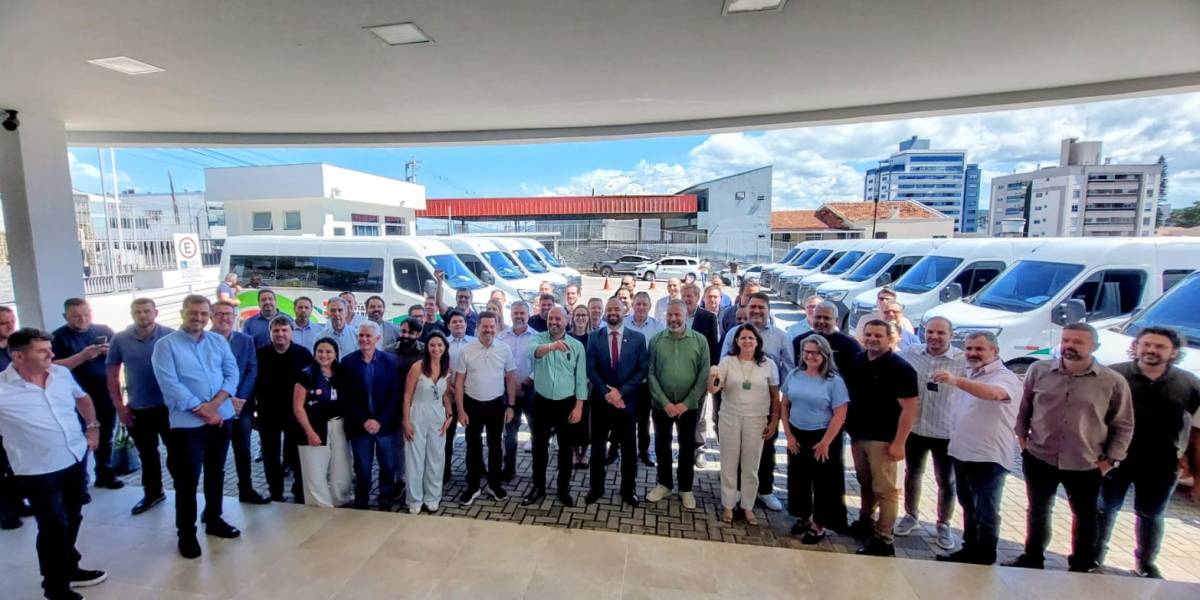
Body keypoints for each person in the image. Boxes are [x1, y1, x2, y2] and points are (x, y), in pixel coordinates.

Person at [1009, 322, 1134, 572]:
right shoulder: (1039, 370)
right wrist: (1022, 440)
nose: (1069, 346)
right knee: (1038, 510)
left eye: (1078, 342)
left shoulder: (1112, 381)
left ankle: (1082, 564)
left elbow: (1123, 424)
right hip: (1040, 456)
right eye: (1066, 340)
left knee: (1085, 515)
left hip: (1086, 462)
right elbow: (1025, 408)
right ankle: (1033, 557)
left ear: (1094, 346)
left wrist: (1110, 460)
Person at [1, 328, 108, 600]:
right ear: (19, 356)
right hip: (37, 470)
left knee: (73, 516)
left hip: (74, 457)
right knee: (53, 526)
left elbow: (83, 398)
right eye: (42, 351)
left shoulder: (60, 374)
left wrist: (93, 428)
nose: (51, 354)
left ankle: (69, 566)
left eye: (50, 349)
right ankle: (55, 587)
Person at [1096, 327, 1200, 578]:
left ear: (1174, 352)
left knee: (1151, 514)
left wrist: (1193, 466)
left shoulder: (1189, 383)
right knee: (1104, 509)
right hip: (1114, 459)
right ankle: (1093, 556)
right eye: (1146, 344)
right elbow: (1094, 417)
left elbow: (1196, 429)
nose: (1151, 350)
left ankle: (1146, 564)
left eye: (1160, 346)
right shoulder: (1113, 375)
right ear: (1137, 346)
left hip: (1163, 464)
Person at [151, 294, 241, 559]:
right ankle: (186, 534)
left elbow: (232, 374)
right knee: (187, 480)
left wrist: (215, 406)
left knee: (216, 472)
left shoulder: (217, 341)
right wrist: (203, 410)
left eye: (203, 313)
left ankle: (213, 519)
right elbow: (170, 384)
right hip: (187, 424)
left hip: (221, 417)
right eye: (193, 313)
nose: (198, 318)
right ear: (182, 313)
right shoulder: (166, 346)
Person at [933, 331, 1023, 566]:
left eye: (979, 349)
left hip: (988, 456)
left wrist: (957, 381)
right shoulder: (970, 372)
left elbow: (995, 394)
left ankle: (985, 555)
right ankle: (969, 549)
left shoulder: (1005, 377)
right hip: (962, 451)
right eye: (969, 348)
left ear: (995, 351)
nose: (972, 353)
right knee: (968, 505)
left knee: (986, 510)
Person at [843, 319, 919, 557]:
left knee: (885, 490)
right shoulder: (857, 360)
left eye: (878, 335)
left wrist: (900, 442)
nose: (872, 339)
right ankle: (865, 521)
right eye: (868, 334)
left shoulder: (901, 368)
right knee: (866, 483)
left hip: (884, 440)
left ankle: (884, 538)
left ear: (890, 338)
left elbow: (909, 408)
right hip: (858, 435)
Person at [717, 292, 794, 512]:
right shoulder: (734, 333)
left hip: (765, 403)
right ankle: (736, 493)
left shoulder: (780, 336)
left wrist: (779, 401)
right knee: (735, 450)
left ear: (769, 310)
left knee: (765, 448)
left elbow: (789, 368)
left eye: (761, 307)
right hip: (735, 401)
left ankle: (765, 490)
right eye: (753, 307)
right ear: (746, 309)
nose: (757, 311)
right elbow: (723, 365)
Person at [894, 317, 965, 549]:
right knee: (913, 473)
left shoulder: (962, 361)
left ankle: (943, 524)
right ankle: (911, 515)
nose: (934, 336)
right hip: (916, 428)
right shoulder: (911, 353)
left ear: (950, 335)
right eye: (930, 332)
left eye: (940, 333)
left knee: (946, 480)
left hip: (946, 430)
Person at [104, 298, 174, 515]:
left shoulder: (171, 336)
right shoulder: (120, 339)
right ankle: (153, 492)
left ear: (155, 312)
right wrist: (120, 407)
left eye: (146, 311)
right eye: (138, 312)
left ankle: (184, 492)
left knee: (177, 453)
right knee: (147, 454)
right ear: (132, 314)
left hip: (170, 408)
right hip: (139, 408)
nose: (142, 315)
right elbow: (112, 375)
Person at [707, 324, 781, 524]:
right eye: (743, 338)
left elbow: (775, 396)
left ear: (757, 342)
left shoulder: (768, 364)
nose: (747, 341)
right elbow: (714, 389)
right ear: (737, 341)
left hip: (757, 420)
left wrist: (774, 420)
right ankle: (728, 505)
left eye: (751, 338)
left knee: (751, 465)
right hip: (730, 417)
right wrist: (713, 377)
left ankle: (748, 506)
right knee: (729, 463)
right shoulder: (727, 361)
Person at [782, 335, 849, 544]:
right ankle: (803, 516)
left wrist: (826, 442)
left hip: (823, 437)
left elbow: (840, 414)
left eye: (815, 352)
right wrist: (789, 435)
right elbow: (784, 405)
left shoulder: (834, 381)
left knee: (823, 483)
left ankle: (819, 525)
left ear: (825, 355)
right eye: (807, 352)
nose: (810, 356)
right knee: (798, 478)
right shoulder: (794, 374)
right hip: (797, 433)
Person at [645, 300, 709, 510]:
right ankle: (664, 484)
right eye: (670, 315)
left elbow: (703, 375)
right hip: (661, 406)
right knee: (661, 445)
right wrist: (664, 402)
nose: (673, 319)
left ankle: (685, 488)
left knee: (687, 447)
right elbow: (651, 373)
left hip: (688, 407)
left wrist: (687, 403)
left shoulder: (699, 341)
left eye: (677, 315)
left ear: (685, 315)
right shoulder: (656, 341)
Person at [51, 298, 121, 490]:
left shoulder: (104, 330)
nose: (82, 319)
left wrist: (110, 353)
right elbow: (51, 366)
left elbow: (121, 354)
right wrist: (82, 356)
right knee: (78, 437)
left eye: (86, 314)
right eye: (76, 316)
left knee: (105, 436)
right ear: (65, 316)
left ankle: (105, 473)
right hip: (75, 397)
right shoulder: (57, 338)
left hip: (104, 392)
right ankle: (80, 480)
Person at [585, 298, 648, 507]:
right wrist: (607, 393)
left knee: (629, 449)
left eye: (617, 309)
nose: (613, 312)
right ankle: (596, 488)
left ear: (624, 311)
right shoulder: (594, 337)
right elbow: (591, 369)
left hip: (626, 404)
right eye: (609, 309)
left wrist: (620, 392)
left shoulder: (637, 338)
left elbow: (642, 370)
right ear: (605, 312)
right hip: (601, 403)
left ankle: (628, 489)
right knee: (597, 448)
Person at [525, 307, 587, 507]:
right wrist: (552, 347)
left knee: (565, 449)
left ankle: (563, 489)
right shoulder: (538, 338)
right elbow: (533, 352)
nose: (553, 322)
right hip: (542, 402)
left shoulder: (577, 346)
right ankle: (538, 487)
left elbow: (580, 379)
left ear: (566, 321)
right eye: (550, 318)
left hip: (566, 403)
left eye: (558, 319)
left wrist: (579, 406)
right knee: (539, 447)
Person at [210, 301, 268, 504]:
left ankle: (246, 489)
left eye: (228, 314)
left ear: (234, 317)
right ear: (211, 316)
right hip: (215, 408)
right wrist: (224, 399)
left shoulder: (246, 341)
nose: (224, 318)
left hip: (242, 406)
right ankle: (213, 502)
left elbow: (252, 368)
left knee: (243, 450)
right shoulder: (203, 341)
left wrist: (240, 397)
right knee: (215, 456)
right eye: (219, 314)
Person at [454, 311, 516, 504]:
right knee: (473, 446)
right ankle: (473, 486)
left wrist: (511, 406)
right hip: (472, 404)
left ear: (496, 327)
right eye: (485, 326)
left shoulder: (504, 349)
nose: (488, 330)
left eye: (492, 326)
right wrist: (461, 410)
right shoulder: (467, 350)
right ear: (477, 327)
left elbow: (510, 378)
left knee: (495, 446)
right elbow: (459, 381)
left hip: (496, 405)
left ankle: (494, 485)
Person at [341, 321, 402, 510]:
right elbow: (346, 397)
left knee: (388, 465)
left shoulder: (390, 361)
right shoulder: (348, 362)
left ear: (377, 338)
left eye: (368, 336)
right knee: (362, 467)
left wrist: (380, 421)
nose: (364, 339)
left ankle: (385, 500)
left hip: (385, 426)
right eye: (361, 335)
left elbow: (395, 395)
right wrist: (364, 420)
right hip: (360, 426)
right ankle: (362, 500)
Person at [254, 316, 313, 503]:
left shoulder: (303, 354)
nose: (280, 334)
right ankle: (276, 492)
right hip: (268, 413)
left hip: (294, 414)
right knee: (270, 455)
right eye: (276, 331)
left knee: (296, 455)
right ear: (270, 333)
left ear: (291, 332)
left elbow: (310, 384)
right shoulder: (260, 355)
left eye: (284, 330)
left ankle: (299, 491)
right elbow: (254, 384)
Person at [292, 338, 352, 508]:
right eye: (320, 351)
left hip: (339, 425)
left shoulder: (341, 373)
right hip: (314, 427)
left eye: (328, 351)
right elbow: (297, 407)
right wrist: (309, 432)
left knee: (341, 468)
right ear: (314, 353)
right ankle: (320, 507)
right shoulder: (306, 374)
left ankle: (340, 501)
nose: (324, 355)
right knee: (314, 471)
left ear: (335, 354)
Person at [403, 331, 454, 514]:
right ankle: (414, 499)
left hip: (437, 415)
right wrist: (406, 422)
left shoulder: (446, 368)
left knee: (436, 457)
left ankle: (432, 497)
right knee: (415, 458)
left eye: (440, 345)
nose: (436, 348)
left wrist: (449, 415)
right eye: (432, 345)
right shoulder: (417, 367)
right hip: (417, 413)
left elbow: (446, 395)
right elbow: (407, 396)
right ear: (427, 347)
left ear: (445, 347)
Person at [680, 282, 720, 470]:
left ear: (698, 298)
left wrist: (709, 374)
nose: (686, 299)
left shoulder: (708, 317)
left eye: (690, 296)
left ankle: (699, 449)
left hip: (700, 375)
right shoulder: (677, 314)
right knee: (683, 413)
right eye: (684, 296)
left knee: (700, 415)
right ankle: (684, 447)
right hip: (679, 374)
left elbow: (713, 348)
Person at [0, 305, 32, 531]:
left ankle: (18, 503)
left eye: (11, 321)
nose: (10, 326)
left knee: (16, 463)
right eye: (3, 323)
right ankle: (5, 512)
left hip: (17, 417)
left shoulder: (15, 348)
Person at [624, 291, 664, 467]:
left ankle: (644, 451)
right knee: (623, 418)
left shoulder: (658, 327)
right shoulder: (623, 324)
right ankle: (617, 449)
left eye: (644, 304)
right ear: (633, 305)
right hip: (626, 381)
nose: (641, 307)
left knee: (644, 419)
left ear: (649, 306)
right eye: (638, 304)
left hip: (646, 383)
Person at [498, 301, 536, 481]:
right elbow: (498, 364)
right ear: (511, 315)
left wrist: (526, 383)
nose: (519, 316)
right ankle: (509, 468)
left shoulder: (537, 337)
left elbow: (540, 365)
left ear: (528, 315)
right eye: (516, 313)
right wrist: (510, 386)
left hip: (531, 392)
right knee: (510, 433)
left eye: (522, 313)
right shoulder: (501, 337)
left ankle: (537, 472)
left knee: (536, 432)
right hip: (508, 392)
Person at [442, 310, 476, 483]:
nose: (458, 324)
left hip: (470, 395)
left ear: (466, 324)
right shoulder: (443, 344)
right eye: (454, 322)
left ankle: (475, 470)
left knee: (472, 435)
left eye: (461, 321)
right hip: (448, 396)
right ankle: (444, 470)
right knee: (447, 436)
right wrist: (450, 386)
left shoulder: (474, 343)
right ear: (448, 326)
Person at [792, 301, 862, 376]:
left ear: (836, 321)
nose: (821, 321)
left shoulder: (850, 345)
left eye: (826, 318)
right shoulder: (799, 341)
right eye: (818, 317)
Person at [569, 304, 595, 467]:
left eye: (584, 315)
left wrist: (588, 378)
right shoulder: (567, 337)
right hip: (569, 386)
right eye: (577, 315)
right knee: (571, 418)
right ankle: (574, 452)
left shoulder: (593, 338)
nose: (580, 318)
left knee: (586, 420)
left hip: (588, 386)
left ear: (588, 318)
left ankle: (584, 453)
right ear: (573, 318)